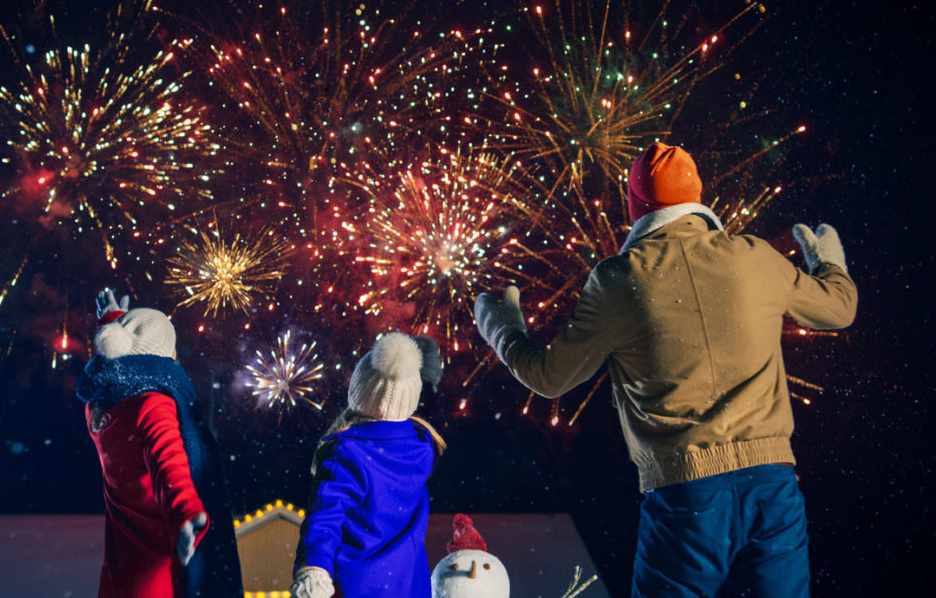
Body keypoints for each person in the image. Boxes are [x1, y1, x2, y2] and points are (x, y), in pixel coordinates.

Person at [474, 142, 857, 597]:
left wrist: (503, 331)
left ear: (635, 208)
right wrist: (828, 262)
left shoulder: (618, 280)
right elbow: (840, 308)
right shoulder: (755, 256)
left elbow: (549, 377)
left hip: (686, 496)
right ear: (697, 196)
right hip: (773, 490)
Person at [76, 289, 243, 597]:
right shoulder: (152, 404)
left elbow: (121, 361)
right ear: (163, 357)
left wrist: (114, 321)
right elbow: (168, 464)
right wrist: (186, 513)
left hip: (119, 573)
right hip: (157, 577)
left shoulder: (99, 407)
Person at [290, 332, 446, 598]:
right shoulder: (422, 448)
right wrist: (427, 380)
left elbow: (325, 518)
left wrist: (314, 569)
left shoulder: (347, 453)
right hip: (410, 589)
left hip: (355, 588)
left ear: (359, 391)